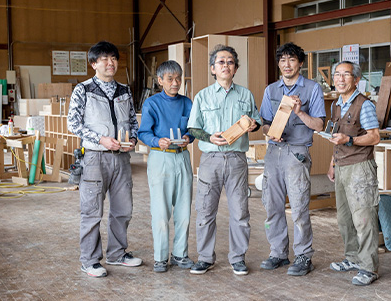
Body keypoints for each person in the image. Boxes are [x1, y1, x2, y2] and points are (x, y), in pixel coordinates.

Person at [68, 41, 141, 278]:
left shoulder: (124, 90)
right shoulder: (83, 90)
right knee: (92, 211)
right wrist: (101, 139)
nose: (111, 63)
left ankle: (117, 254)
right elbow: (73, 124)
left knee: (123, 209)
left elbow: (132, 121)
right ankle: (89, 260)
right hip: (95, 158)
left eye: (114, 58)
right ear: (93, 64)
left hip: (121, 158)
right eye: (104, 59)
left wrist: (133, 140)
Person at [187, 44, 261, 276]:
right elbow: (192, 128)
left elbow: (256, 122)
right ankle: (205, 258)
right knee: (206, 210)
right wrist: (209, 137)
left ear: (236, 68)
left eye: (230, 62)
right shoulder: (202, 96)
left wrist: (253, 124)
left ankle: (237, 258)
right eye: (221, 62)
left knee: (240, 210)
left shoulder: (245, 95)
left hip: (238, 159)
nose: (225, 65)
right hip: (211, 159)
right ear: (212, 69)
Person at [259, 42, 326, 276]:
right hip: (273, 152)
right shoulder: (271, 90)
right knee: (272, 206)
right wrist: (270, 131)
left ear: (300, 63)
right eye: (283, 60)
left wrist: (299, 112)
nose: (287, 65)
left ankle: (303, 255)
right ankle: (278, 253)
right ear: (278, 63)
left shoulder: (312, 89)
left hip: (297, 153)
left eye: (292, 60)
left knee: (298, 207)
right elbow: (264, 123)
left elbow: (319, 124)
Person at [326, 60, 380, 286]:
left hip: (360, 168)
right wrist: (332, 162)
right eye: (337, 74)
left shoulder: (364, 105)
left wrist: (350, 140)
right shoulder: (336, 105)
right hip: (342, 165)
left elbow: (374, 136)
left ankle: (369, 268)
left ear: (356, 79)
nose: (339, 79)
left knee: (363, 218)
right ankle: (352, 258)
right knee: (345, 218)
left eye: (345, 75)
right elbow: (336, 137)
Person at [138, 60, 195, 273]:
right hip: (160, 157)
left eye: (178, 78)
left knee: (184, 210)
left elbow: (193, 128)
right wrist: (156, 141)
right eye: (170, 79)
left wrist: (189, 137)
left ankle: (180, 254)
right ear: (160, 80)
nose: (175, 83)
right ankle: (160, 257)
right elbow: (143, 133)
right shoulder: (152, 103)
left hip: (182, 157)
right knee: (160, 211)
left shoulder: (187, 102)